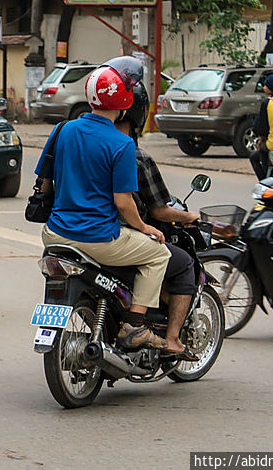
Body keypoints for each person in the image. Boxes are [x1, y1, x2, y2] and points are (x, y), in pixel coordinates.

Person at [36, 56, 170, 349]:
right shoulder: (121, 144)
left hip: (55, 233)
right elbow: (123, 203)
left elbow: (45, 183)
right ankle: (135, 326)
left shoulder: (63, 130)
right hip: (97, 238)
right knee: (159, 254)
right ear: (126, 105)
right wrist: (145, 227)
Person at [114, 82, 199, 359]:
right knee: (182, 262)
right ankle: (168, 337)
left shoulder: (75, 141)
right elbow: (156, 210)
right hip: (114, 236)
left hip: (67, 232)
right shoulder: (132, 154)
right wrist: (188, 217)